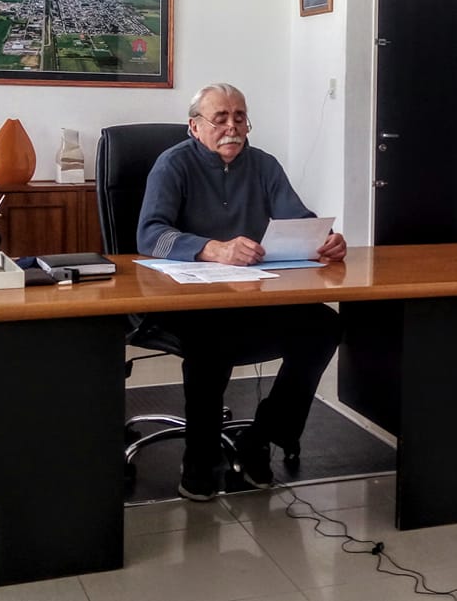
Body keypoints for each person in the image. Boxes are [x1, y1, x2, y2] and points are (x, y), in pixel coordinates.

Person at [137, 82, 346, 501]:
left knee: (324, 326)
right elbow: (150, 235)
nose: (232, 127)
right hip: (186, 302)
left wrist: (325, 240)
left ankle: (262, 437)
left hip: (251, 295)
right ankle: (200, 459)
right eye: (220, 118)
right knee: (211, 341)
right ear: (195, 127)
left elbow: (298, 220)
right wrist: (212, 248)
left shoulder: (264, 165)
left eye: (240, 117)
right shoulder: (172, 165)